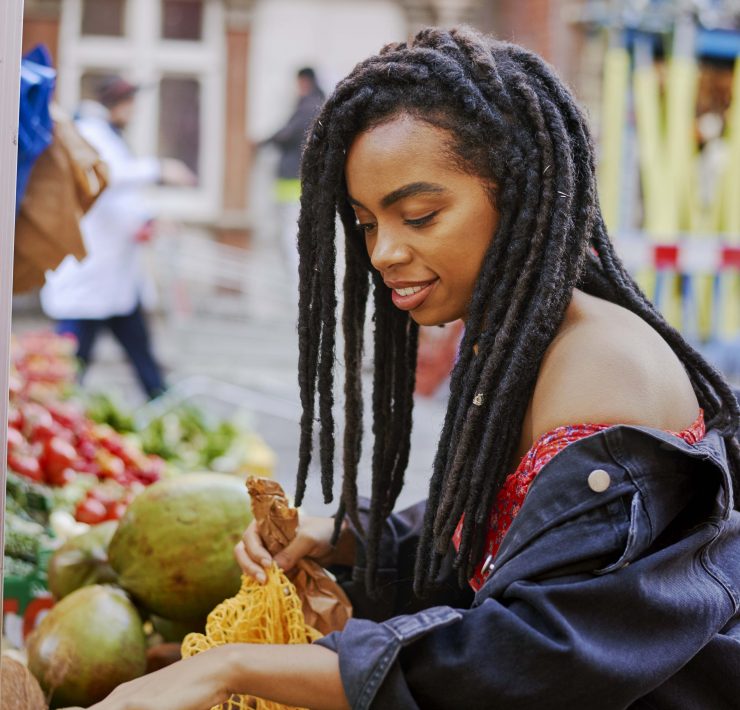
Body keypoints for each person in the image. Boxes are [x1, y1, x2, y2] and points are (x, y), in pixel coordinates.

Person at [78, 27, 740, 710]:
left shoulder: (603, 368)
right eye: (367, 223)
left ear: (515, 198)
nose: (385, 252)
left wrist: (228, 669)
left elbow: (534, 654)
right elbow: (500, 529)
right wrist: (347, 536)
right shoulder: (519, 334)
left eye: (419, 216)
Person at [40, 75, 195, 400]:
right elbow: (108, 177)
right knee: (72, 362)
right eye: (132, 104)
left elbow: (122, 200)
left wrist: (148, 219)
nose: (135, 111)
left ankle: (161, 403)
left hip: (114, 277)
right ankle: (57, 408)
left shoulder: (107, 135)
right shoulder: (89, 133)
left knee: (138, 352)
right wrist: (159, 169)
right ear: (119, 104)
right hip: (90, 273)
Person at [259, 66, 325, 286]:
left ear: (304, 82)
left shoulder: (307, 106)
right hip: (301, 181)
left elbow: (286, 133)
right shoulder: (317, 105)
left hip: (293, 181)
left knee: (291, 237)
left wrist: (263, 143)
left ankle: (298, 285)